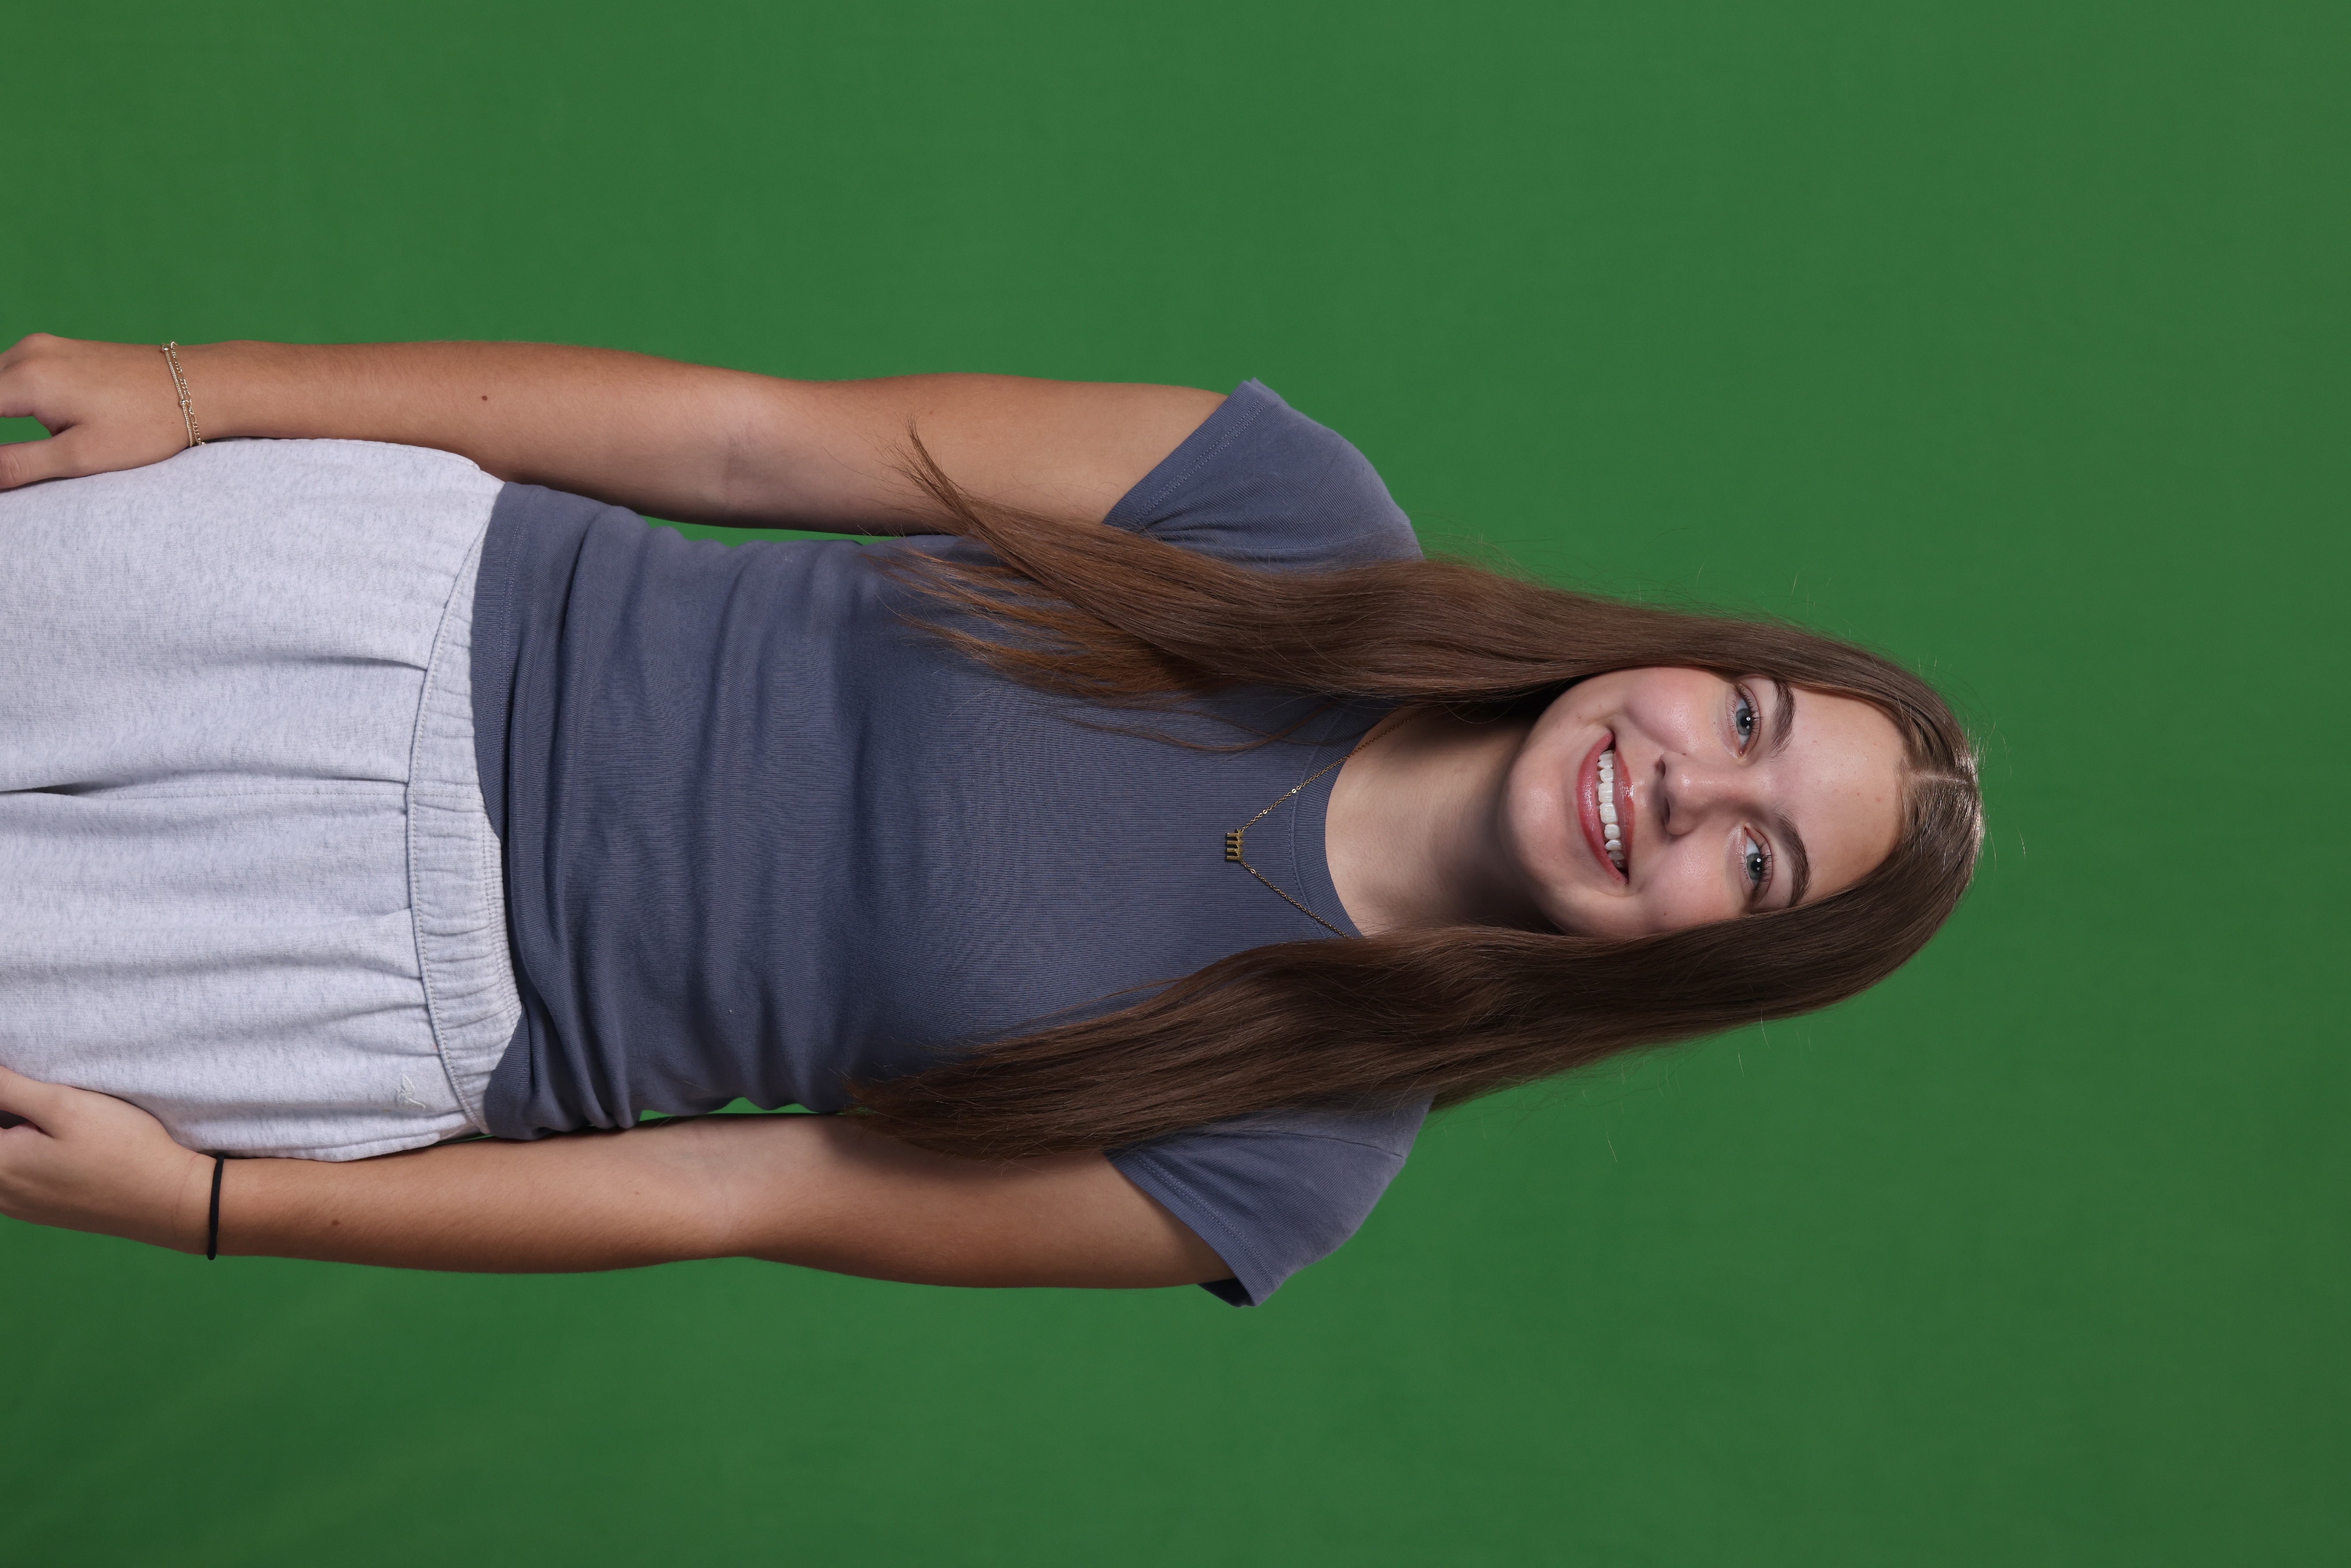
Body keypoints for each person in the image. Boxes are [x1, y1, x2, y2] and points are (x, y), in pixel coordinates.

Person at [0, 334, 1981, 1305]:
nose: (1691, 784)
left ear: (1719, 961)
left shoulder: (1283, 1162)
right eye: (1747, 718)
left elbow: (732, 1197)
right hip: (376, 609)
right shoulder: (1286, 513)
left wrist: (211, 1207)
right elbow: (742, 438)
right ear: (1697, 659)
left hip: (352, 991)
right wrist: (206, 388)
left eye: (1759, 858)